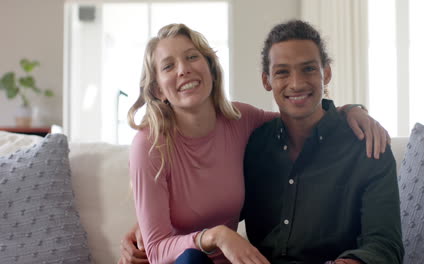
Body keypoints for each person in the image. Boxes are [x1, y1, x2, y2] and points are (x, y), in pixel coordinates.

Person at [121, 23, 390, 264]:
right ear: (157, 89)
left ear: (211, 69)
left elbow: (300, 113)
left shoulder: (240, 120)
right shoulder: (149, 144)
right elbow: (156, 249)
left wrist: (351, 111)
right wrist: (215, 236)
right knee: (191, 259)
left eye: (192, 57)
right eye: (169, 65)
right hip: (183, 262)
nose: (184, 69)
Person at [242, 20, 404, 263]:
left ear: (326, 73)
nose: (296, 83)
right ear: (267, 80)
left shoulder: (368, 146)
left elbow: (384, 245)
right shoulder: (252, 145)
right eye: (282, 72)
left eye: (308, 69)